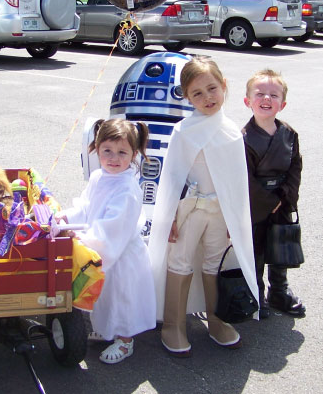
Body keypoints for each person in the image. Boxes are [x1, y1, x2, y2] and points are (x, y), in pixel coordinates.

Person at [148, 56, 258, 357]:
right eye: (197, 93)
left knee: (214, 263)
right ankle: (173, 324)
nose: (207, 97)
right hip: (190, 210)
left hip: (221, 212)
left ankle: (216, 320)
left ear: (224, 86)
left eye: (212, 88)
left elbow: (237, 183)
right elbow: (172, 178)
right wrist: (169, 215)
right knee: (180, 262)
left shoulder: (232, 131)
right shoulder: (184, 131)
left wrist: (236, 221)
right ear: (187, 98)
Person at [55, 119, 156, 364]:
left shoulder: (127, 188)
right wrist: (67, 216)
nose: (113, 158)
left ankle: (125, 340)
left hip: (122, 256)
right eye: (107, 151)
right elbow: (86, 205)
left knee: (121, 298)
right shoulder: (99, 177)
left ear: (134, 154)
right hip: (104, 248)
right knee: (105, 296)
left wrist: (81, 237)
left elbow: (113, 227)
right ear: (96, 149)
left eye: (122, 152)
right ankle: (106, 330)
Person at [243, 69, 305, 318]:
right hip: (257, 202)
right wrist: (267, 203)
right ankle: (255, 293)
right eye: (260, 94)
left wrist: (286, 196)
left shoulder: (288, 134)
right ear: (248, 101)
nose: (266, 98)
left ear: (283, 103)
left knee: (281, 246)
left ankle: (279, 290)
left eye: (273, 95)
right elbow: (243, 177)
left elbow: (295, 166)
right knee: (256, 250)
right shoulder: (243, 139)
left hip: (282, 197)